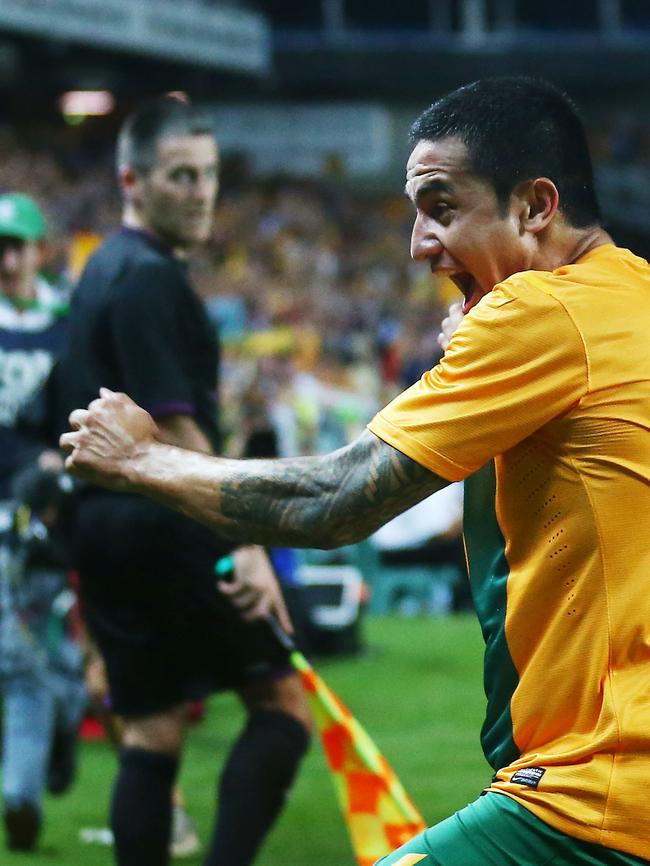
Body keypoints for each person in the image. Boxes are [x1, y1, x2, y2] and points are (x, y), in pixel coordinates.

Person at [60, 76, 650, 865]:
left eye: (442, 207)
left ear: (535, 207)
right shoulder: (630, 298)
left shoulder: (538, 312)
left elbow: (336, 498)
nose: (417, 243)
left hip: (601, 788)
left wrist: (140, 459)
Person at [56, 96, 311, 866]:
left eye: (208, 175)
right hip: (169, 519)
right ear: (133, 180)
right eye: (180, 176)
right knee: (283, 709)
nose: (201, 192)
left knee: (153, 730)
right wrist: (251, 543)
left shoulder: (100, 269)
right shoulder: (149, 279)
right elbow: (178, 431)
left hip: (98, 525)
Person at [0, 193, 86, 851]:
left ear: (37, 251)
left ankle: (61, 722)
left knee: (37, 654)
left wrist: (55, 475)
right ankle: (26, 782)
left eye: (15, 245)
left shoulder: (66, 322)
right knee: (22, 658)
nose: (6, 260)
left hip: (48, 512)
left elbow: (79, 410)